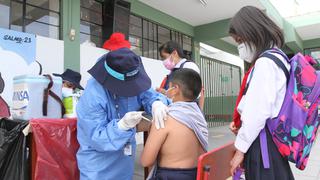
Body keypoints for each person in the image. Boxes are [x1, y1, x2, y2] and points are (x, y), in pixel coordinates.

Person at [76, 48, 169, 180]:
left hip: (124, 159)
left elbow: (148, 94)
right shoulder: (93, 96)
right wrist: (121, 126)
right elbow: (97, 138)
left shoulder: (132, 76)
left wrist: (157, 103)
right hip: (98, 164)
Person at [228, 6, 294, 180]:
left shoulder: (265, 63)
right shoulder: (279, 57)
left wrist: (240, 150)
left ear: (253, 33)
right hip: (273, 143)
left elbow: (257, 112)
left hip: (263, 145)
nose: (240, 47)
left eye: (240, 40)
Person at [141, 68, 208, 180]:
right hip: (197, 175)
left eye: (169, 86)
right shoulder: (199, 116)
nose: (167, 90)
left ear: (175, 89)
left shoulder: (164, 118)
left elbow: (145, 161)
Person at [157, 41, 205, 110]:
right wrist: (165, 92)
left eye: (165, 57)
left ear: (174, 53)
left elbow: (191, 93)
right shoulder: (172, 72)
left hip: (188, 110)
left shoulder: (189, 66)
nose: (164, 61)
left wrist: (200, 112)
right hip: (176, 109)